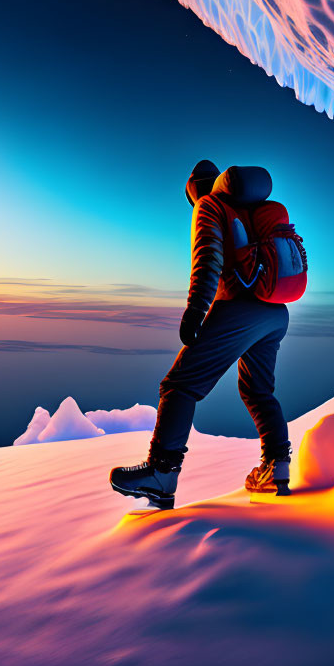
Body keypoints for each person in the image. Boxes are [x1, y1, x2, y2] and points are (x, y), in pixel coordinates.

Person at [110, 160, 293, 509]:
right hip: (275, 313)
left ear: (195, 189)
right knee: (257, 390)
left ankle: (162, 475)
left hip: (240, 308)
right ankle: (276, 468)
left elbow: (207, 259)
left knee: (179, 386)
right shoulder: (254, 211)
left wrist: (196, 310)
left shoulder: (211, 205)